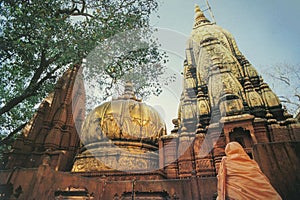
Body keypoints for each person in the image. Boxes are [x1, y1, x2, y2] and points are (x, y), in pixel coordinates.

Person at [217, 142, 282, 200]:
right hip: (261, 193)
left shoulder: (226, 162)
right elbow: (260, 177)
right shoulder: (250, 162)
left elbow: (221, 178)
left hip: (236, 193)